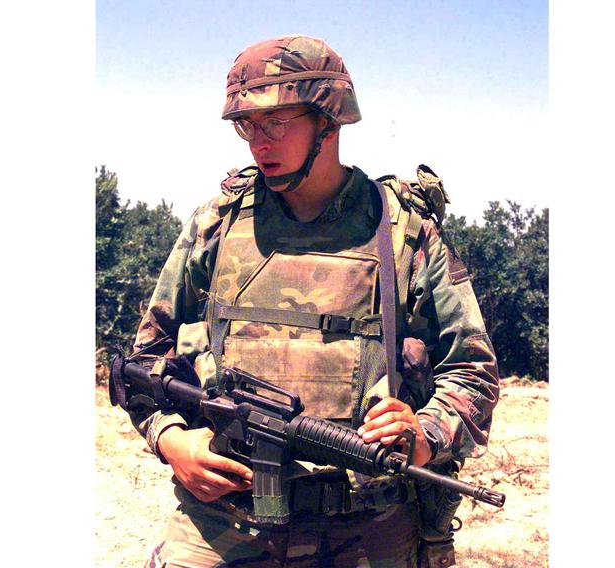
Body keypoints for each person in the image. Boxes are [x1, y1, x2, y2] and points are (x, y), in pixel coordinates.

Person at [123, 34, 500, 567]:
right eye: (246, 125)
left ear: (329, 119)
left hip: (364, 530)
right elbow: (143, 361)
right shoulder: (216, 226)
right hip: (220, 524)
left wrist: (425, 433)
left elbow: (473, 369)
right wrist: (172, 442)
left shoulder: (401, 232)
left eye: (277, 122)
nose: (258, 142)